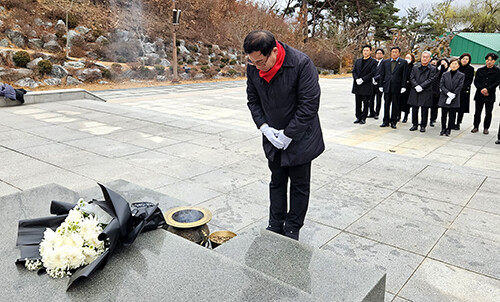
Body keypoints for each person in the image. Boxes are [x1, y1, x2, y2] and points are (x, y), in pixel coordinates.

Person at [244, 30, 324, 241]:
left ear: (273, 51)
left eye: (261, 62)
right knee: (276, 180)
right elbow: (253, 100)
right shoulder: (253, 66)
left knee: (299, 184)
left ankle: (293, 227)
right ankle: (275, 222)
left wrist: (289, 134)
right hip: (272, 136)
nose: (258, 67)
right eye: (253, 63)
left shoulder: (301, 63)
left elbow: (309, 104)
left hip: (300, 137)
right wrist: (264, 127)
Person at [378, 46, 408, 129]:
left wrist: (403, 86)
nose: (394, 53)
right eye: (393, 52)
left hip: (397, 87)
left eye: (396, 52)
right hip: (387, 86)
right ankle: (385, 121)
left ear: (399, 53)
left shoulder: (403, 62)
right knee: (386, 104)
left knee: (395, 105)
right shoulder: (386, 62)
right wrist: (380, 85)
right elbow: (382, 74)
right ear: (390, 53)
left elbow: (404, 75)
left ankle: (393, 121)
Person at [408, 50, 438, 132]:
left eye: (426, 57)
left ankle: (423, 125)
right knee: (414, 108)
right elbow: (412, 77)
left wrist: (422, 86)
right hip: (415, 90)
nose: (424, 59)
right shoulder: (415, 67)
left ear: (430, 59)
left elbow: (431, 79)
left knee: (424, 109)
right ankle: (414, 124)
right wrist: (416, 86)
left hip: (426, 90)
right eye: (423, 57)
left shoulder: (433, 69)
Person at [471, 53, 500, 135]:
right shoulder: (480, 70)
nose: (489, 62)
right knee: (477, 112)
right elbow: (476, 81)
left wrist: (487, 89)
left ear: (494, 61)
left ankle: (486, 128)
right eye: (487, 60)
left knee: (488, 112)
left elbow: (497, 82)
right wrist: (482, 89)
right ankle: (475, 126)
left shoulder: (497, 71)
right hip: (479, 93)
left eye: (491, 60)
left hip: (490, 94)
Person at [351, 45, 377, 124]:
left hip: (366, 85)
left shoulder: (373, 62)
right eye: (364, 50)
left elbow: (372, 73)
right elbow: (354, 71)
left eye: (367, 50)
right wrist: (356, 79)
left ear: (370, 52)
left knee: (366, 102)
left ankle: (363, 117)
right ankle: (358, 116)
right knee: (358, 102)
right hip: (357, 85)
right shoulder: (358, 61)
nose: (365, 52)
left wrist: (363, 79)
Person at [438, 58, 464, 136]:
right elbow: (441, 85)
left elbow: (460, 86)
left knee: (452, 115)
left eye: (456, 64)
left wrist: (453, 95)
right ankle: (443, 128)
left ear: (459, 66)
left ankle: (449, 129)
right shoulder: (445, 74)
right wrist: (448, 93)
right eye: (452, 63)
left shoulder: (461, 75)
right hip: (445, 96)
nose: (454, 65)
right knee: (444, 114)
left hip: (454, 97)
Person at [456, 53, 475, 130]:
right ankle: (451, 122)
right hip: (454, 90)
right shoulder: (457, 67)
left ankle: (458, 123)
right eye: (463, 58)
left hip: (464, 90)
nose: (464, 60)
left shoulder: (471, 69)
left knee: (461, 108)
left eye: (466, 59)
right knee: (453, 107)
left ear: (469, 60)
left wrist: (461, 87)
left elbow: (469, 80)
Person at [430, 58, 449, 127]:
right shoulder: (436, 71)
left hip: (446, 92)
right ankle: (432, 119)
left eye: (444, 64)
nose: (443, 65)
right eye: (441, 64)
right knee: (434, 106)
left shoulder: (449, 72)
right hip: (437, 91)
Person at [369, 48, 385, 119]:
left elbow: (383, 73)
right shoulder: (373, 62)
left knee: (378, 99)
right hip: (371, 84)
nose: (378, 55)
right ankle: (371, 112)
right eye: (377, 53)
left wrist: (375, 78)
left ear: (383, 55)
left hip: (379, 83)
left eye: (380, 53)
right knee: (371, 99)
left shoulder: (384, 63)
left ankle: (377, 113)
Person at [401, 53, 415, 123]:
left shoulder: (413, 67)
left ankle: (405, 116)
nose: (407, 59)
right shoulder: (402, 65)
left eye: (409, 58)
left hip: (408, 87)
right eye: (406, 57)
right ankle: (398, 115)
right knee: (399, 101)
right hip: (401, 86)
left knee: (406, 103)